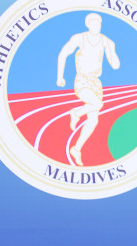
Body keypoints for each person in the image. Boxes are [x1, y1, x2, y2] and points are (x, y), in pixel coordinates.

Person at [55, 13, 119, 167]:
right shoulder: (79, 38)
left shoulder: (105, 41)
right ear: (88, 24)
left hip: (96, 83)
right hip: (82, 80)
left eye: (99, 23)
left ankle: (76, 149)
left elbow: (116, 66)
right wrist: (60, 77)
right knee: (97, 104)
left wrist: (112, 49)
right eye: (93, 23)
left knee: (94, 120)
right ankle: (76, 112)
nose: (96, 26)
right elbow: (63, 54)